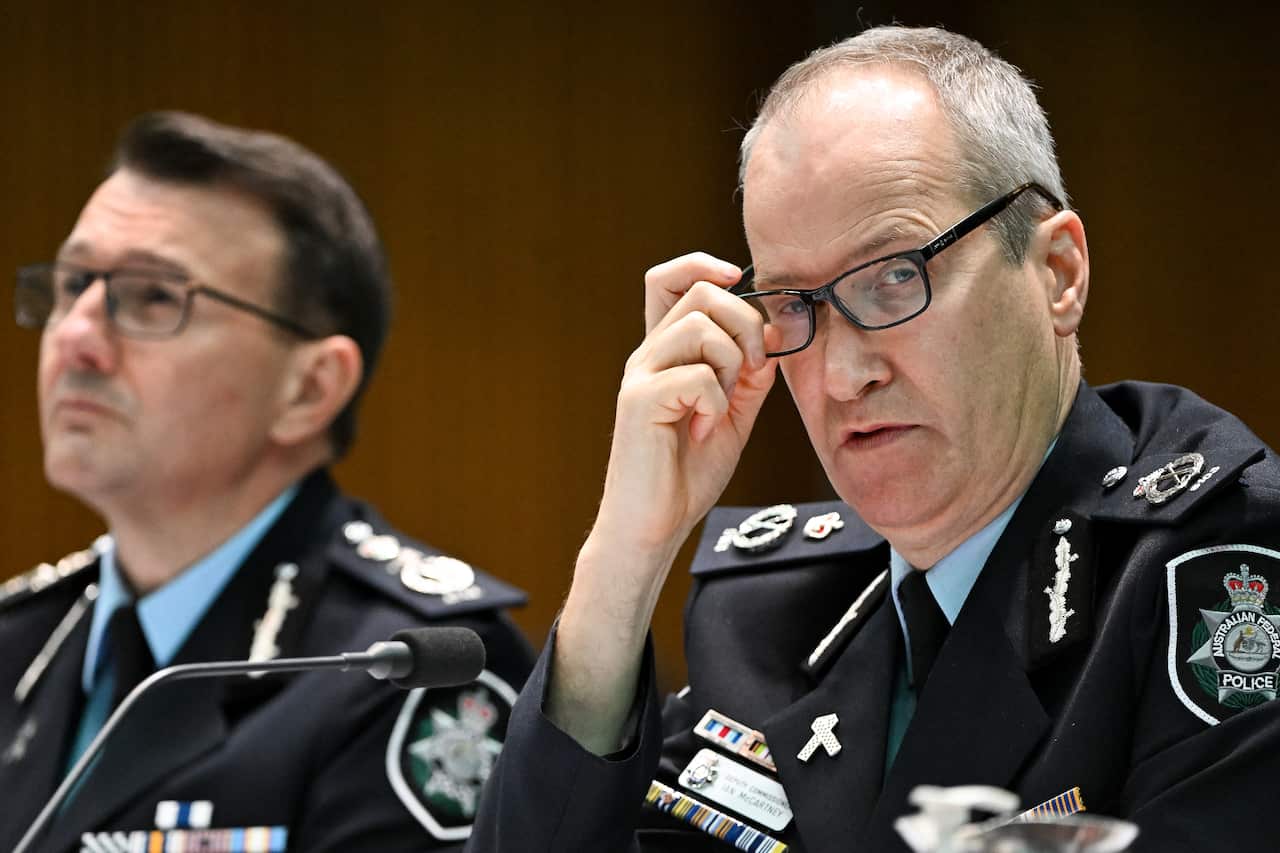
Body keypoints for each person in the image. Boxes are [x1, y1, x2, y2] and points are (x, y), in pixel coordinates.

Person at [468, 25, 1280, 853]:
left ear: (1057, 274)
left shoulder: (1213, 579)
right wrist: (628, 552)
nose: (842, 372)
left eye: (896, 276)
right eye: (793, 304)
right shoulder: (766, 615)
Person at [0, 111, 534, 853]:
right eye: (70, 286)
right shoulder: (17, 640)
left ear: (309, 388)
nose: (76, 336)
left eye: (152, 296)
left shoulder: (408, 670)